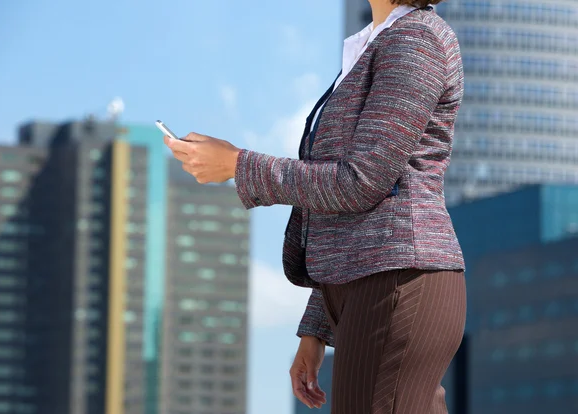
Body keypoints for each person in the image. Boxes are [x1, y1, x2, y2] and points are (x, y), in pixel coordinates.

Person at [164, 0, 466, 412]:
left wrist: (238, 164)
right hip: (374, 280)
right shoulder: (375, 42)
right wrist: (317, 327)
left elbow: (360, 181)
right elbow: (346, 210)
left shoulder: (416, 38)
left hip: (398, 277)